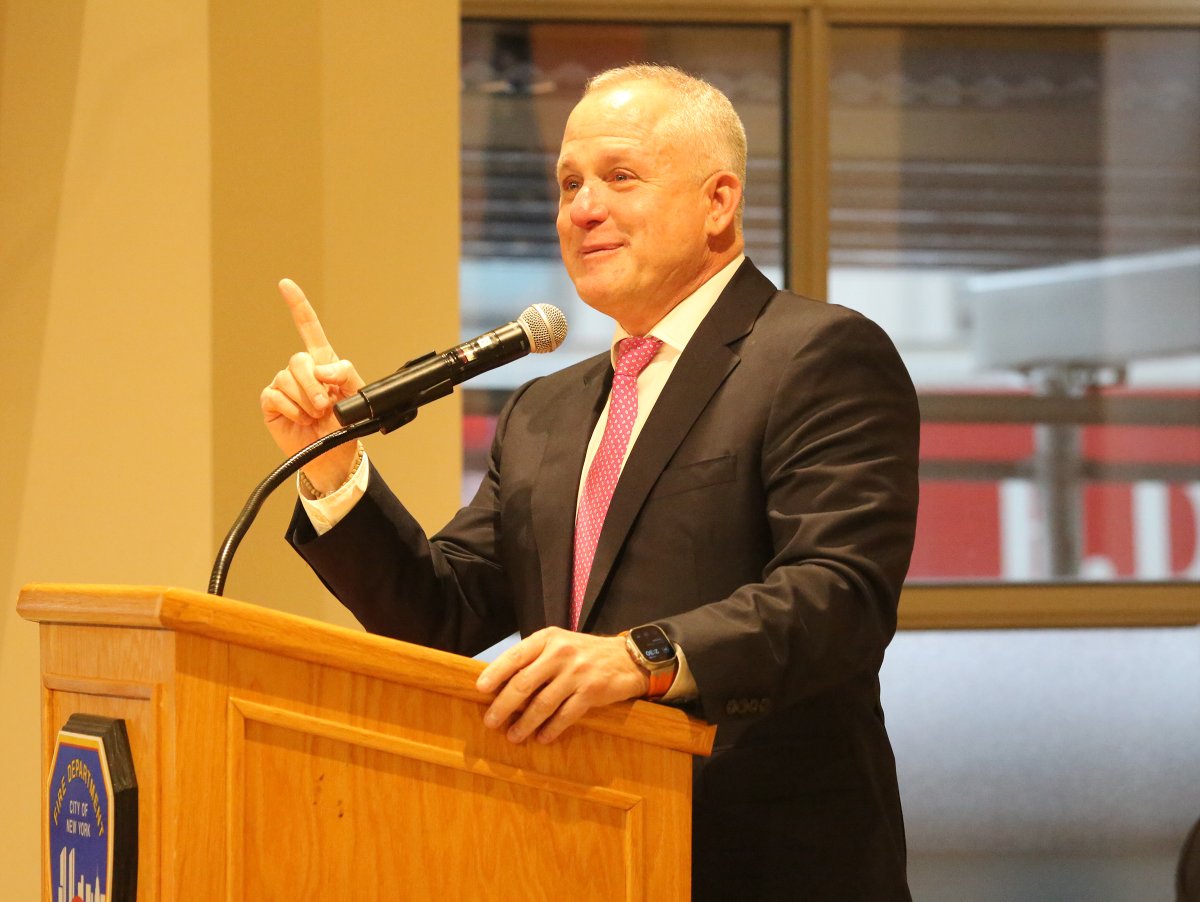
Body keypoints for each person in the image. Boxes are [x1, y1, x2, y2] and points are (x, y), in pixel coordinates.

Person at [261, 64, 920, 900]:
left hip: (762, 862)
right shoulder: (546, 410)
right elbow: (439, 613)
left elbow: (840, 596)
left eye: (620, 177)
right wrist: (332, 463)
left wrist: (643, 659)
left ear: (719, 202)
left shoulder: (816, 355)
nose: (582, 208)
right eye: (569, 182)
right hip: (574, 857)